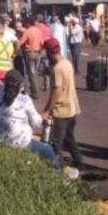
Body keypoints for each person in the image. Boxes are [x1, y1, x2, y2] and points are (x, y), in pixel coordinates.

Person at [0, 70, 60, 168]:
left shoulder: (0, 98)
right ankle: (59, 176)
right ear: (20, 85)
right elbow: (36, 123)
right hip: (20, 144)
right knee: (48, 150)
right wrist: (42, 117)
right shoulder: (24, 100)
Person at [41, 38, 83, 169]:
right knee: (69, 139)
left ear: (49, 52)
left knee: (56, 143)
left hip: (61, 111)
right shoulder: (67, 63)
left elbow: (57, 91)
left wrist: (47, 110)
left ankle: (57, 169)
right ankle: (79, 163)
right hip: (72, 109)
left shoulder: (57, 68)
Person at [17, 17, 45, 99]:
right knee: (34, 72)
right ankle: (35, 90)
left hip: (29, 53)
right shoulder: (38, 31)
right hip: (37, 52)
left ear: (28, 23)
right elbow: (42, 42)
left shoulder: (27, 31)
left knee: (31, 74)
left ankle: (35, 93)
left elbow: (21, 42)